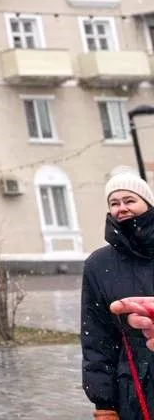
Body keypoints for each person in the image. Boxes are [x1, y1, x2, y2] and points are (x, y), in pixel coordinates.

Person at [81, 174, 154, 420]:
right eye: (114, 203)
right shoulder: (98, 265)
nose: (122, 208)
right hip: (133, 385)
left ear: (148, 203)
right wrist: (103, 403)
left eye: (129, 200)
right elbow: (97, 336)